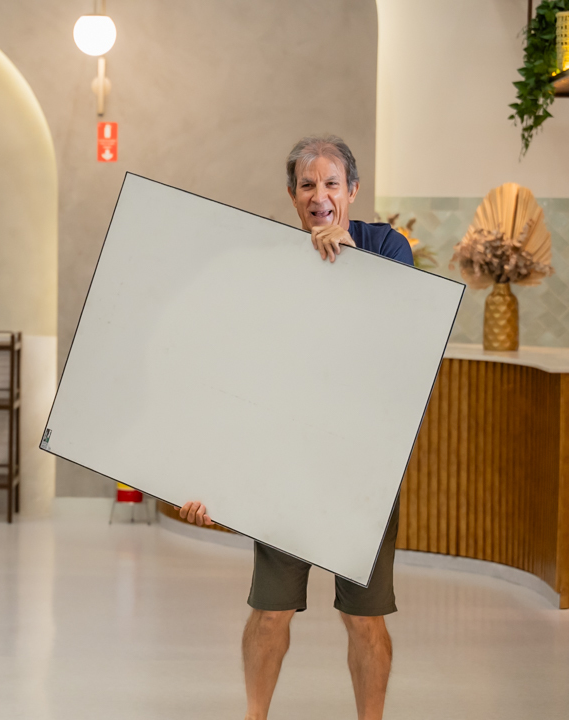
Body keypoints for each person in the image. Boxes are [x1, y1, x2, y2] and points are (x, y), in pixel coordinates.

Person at [179, 135, 412, 720]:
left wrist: (350, 258)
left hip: (362, 470)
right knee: (271, 610)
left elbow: (400, 327)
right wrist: (209, 478)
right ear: (292, 196)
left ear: (352, 190)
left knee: (364, 618)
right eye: (307, 185)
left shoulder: (387, 247)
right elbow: (238, 380)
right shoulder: (270, 263)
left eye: (331, 183)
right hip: (285, 466)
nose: (319, 195)